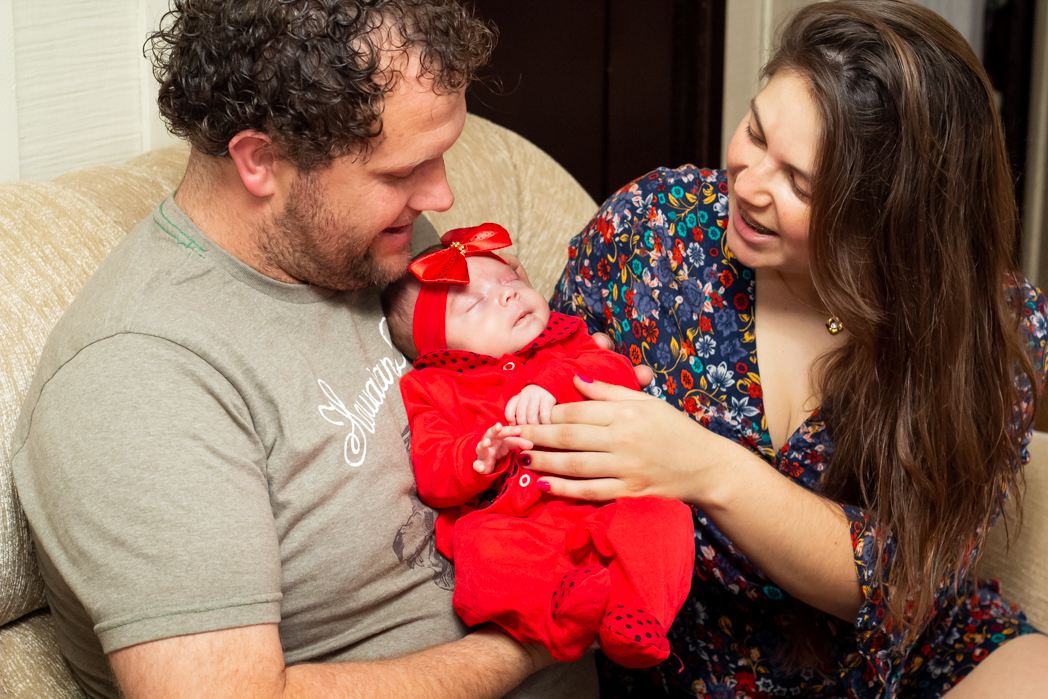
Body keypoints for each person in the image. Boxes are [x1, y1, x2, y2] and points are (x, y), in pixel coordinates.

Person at [9, 2, 597, 698]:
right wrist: (535, 638)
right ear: (260, 160)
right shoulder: (139, 379)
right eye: (403, 171)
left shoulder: (365, 243)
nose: (440, 194)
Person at [518, 1, 1048, 697]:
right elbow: (526, 400)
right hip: (694, 671)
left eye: (799, 182)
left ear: (891, 220)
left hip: (905, 658)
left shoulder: (989, 326)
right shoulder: (652, 232)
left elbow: (900, 590)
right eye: (756, 131)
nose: (748, 182)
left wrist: (703, 465)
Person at [382, 223, 694, 669]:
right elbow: (432, 473)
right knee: (478, 548)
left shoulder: (567, 340)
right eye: (476, 302)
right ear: (437, 346)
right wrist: (477, 456)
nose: (507, 294)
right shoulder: (431, 387)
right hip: (516, 524)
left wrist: (552, 384)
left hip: (604, 502)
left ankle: (638, 614)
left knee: (665, 515)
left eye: (509, 281)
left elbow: (616, 370)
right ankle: (560, 618)